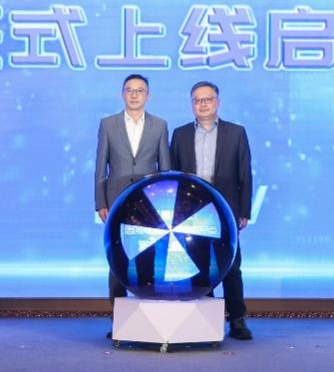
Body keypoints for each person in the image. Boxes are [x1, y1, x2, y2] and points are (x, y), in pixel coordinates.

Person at [169, 80, 253, 340]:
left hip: (227, 208)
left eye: (207, 99)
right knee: (199, 265)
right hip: (192, 212)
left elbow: (245, 175)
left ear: (218, 102)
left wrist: (244, 211)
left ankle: (237, 319)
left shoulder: (236, 132)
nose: (202, 104)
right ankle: (205, 319)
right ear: (191, 104)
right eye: (197, 100)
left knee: (231, 266)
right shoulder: (180, 134)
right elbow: (174, 176)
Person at [95, 74, 172, 307]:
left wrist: (165, 204)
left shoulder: (160, 125)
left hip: (148, 201)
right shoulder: (108, 124)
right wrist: (101, 202)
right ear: (123, 94)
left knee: (147, 254)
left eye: (140, 90)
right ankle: (117, 313)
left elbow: (165, 168)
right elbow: (101, 166)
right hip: (116, 199)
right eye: (130, 90)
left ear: (148, 96)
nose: (134, 94)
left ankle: (147, 308)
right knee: (117, 256)